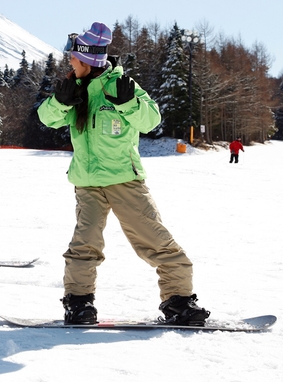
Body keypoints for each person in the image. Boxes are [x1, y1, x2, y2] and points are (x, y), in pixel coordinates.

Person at [37, 22, 210, 326]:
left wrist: (129, 102)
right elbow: (46, 118)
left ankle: (179, 301)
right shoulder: (72, 88)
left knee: (155, 239)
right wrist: (59, 102)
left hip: (124, 181)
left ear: (87, 60)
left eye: (73, 58)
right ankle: (78, 304)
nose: (69, 62)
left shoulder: (121, 85)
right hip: (88, 183)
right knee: (84, 244)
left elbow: (151, 119)